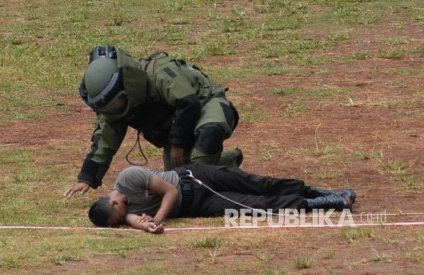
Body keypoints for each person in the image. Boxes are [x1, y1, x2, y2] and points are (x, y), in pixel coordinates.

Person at [65, 46, 242, 198]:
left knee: (206, 142)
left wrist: (177, 144)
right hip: (179, 126)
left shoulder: (159, 72)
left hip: (208, 103)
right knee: (179, 177)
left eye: (115, 102)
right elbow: (104, 140)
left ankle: (214, 184)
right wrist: (86, 178)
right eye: (108, 107)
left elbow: (188, 103)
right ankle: (228, 162)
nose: (113, 109)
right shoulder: (113, 107)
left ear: (127, 83)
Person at [86, 164, 356, 234]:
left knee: (260, 184)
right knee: (251, 207)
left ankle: (316, 191)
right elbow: (134, 219)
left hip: (197, 179)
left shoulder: (129, 177)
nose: (124, 218)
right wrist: (147, 226)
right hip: (199, 205)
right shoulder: (124, 211)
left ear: (113, 203)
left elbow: (171, 191)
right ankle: (323, 204)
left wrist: (157, 218)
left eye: (120, 216)